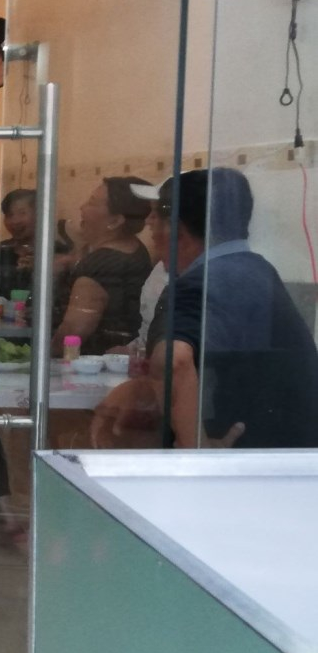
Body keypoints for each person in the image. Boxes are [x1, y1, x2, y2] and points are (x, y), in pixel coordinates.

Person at [92, 168, 318, 449]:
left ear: (176, 231)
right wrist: (142, 386)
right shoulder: (258, 271)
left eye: (156, 217)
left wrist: (196, 449)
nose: (149, 223)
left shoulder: (198, 284)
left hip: (244, 455)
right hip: (288, 449)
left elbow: (174, 361)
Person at [52, 177, 154, 354]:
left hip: (96, 359)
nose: (82, 207)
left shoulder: (102, 264)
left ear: (115, 221)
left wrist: (39, 358)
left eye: (92, 202)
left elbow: (74, 331)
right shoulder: (134, 248)